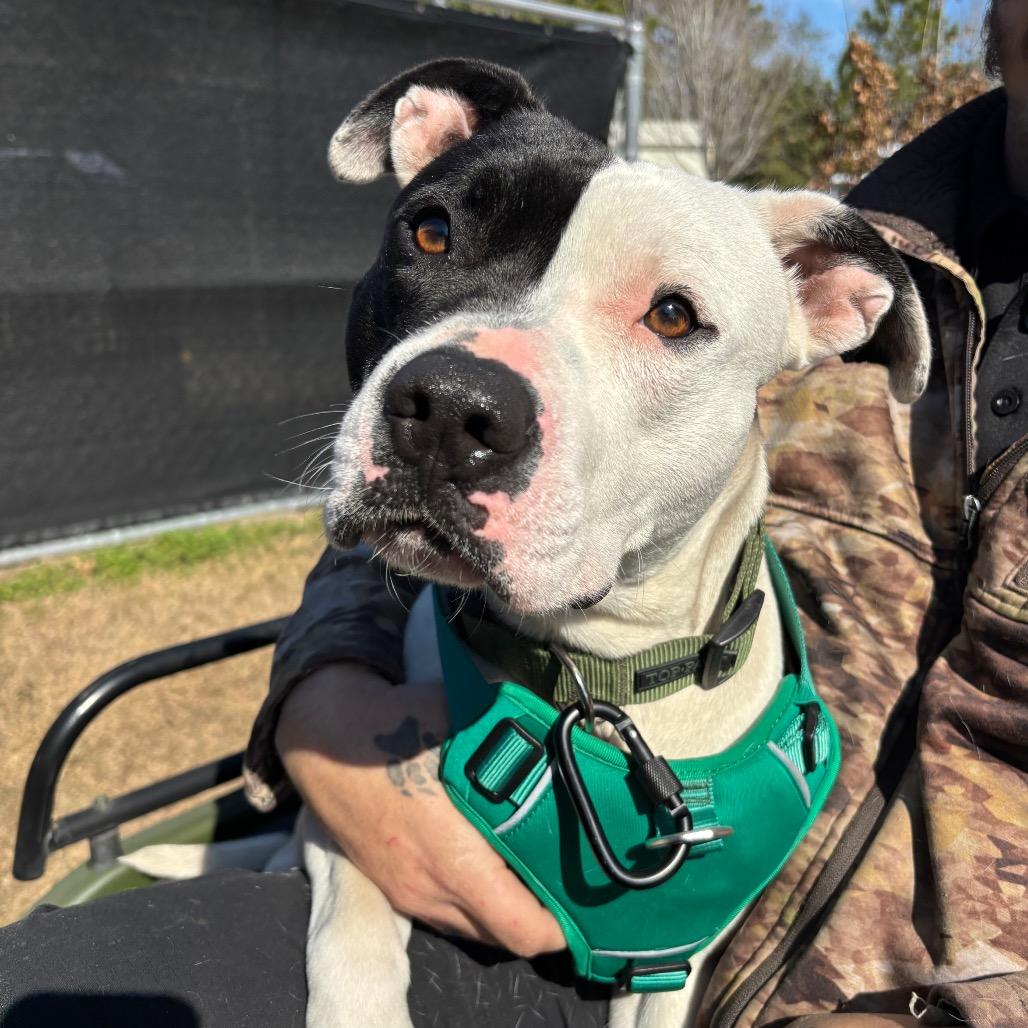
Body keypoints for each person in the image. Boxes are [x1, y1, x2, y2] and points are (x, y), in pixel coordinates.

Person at [1, 4, 1024, 1026]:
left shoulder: (780, 266)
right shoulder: (861, 223)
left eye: (666, 316)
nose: (460, 387)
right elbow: (386, 564)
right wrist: (324, 697)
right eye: (439, 233)